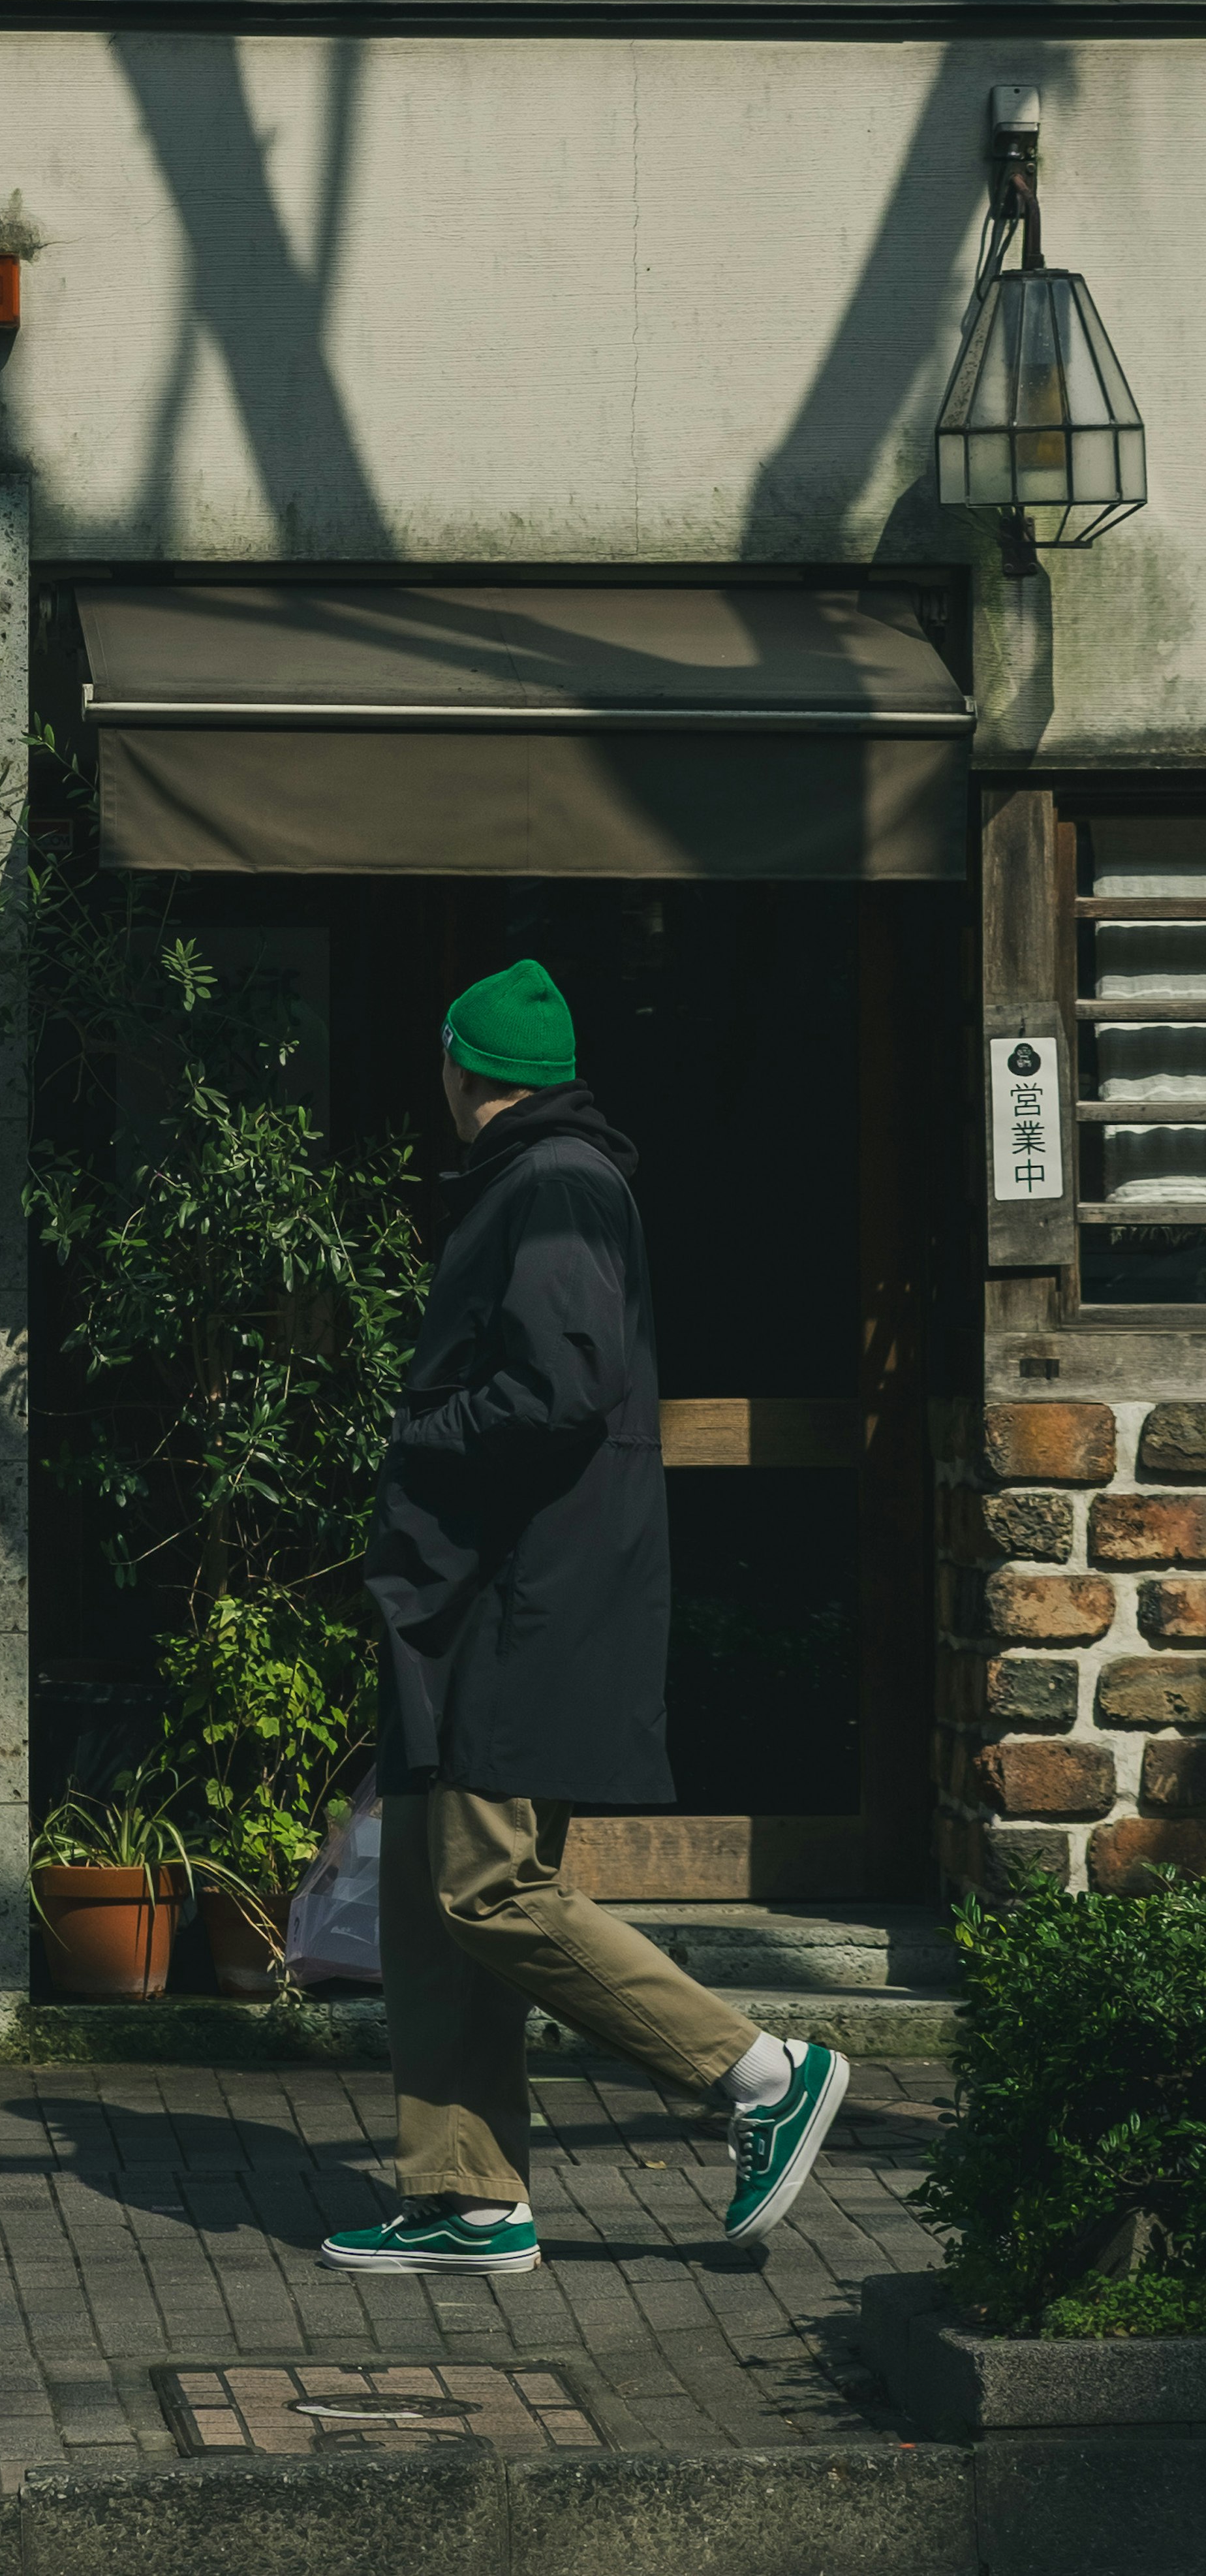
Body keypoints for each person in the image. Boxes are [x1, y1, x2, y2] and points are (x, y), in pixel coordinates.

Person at [320, 956, 846, 2278]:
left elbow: (558, 1388)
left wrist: (414, 1435)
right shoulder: (543, 1178)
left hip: (520, 1599)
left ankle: (760, 2072)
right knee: (432, 1903)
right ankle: (466, 2199)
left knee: (489, 1886)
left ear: (457, 1068)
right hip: (485, 1595)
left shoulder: (554, 1186)